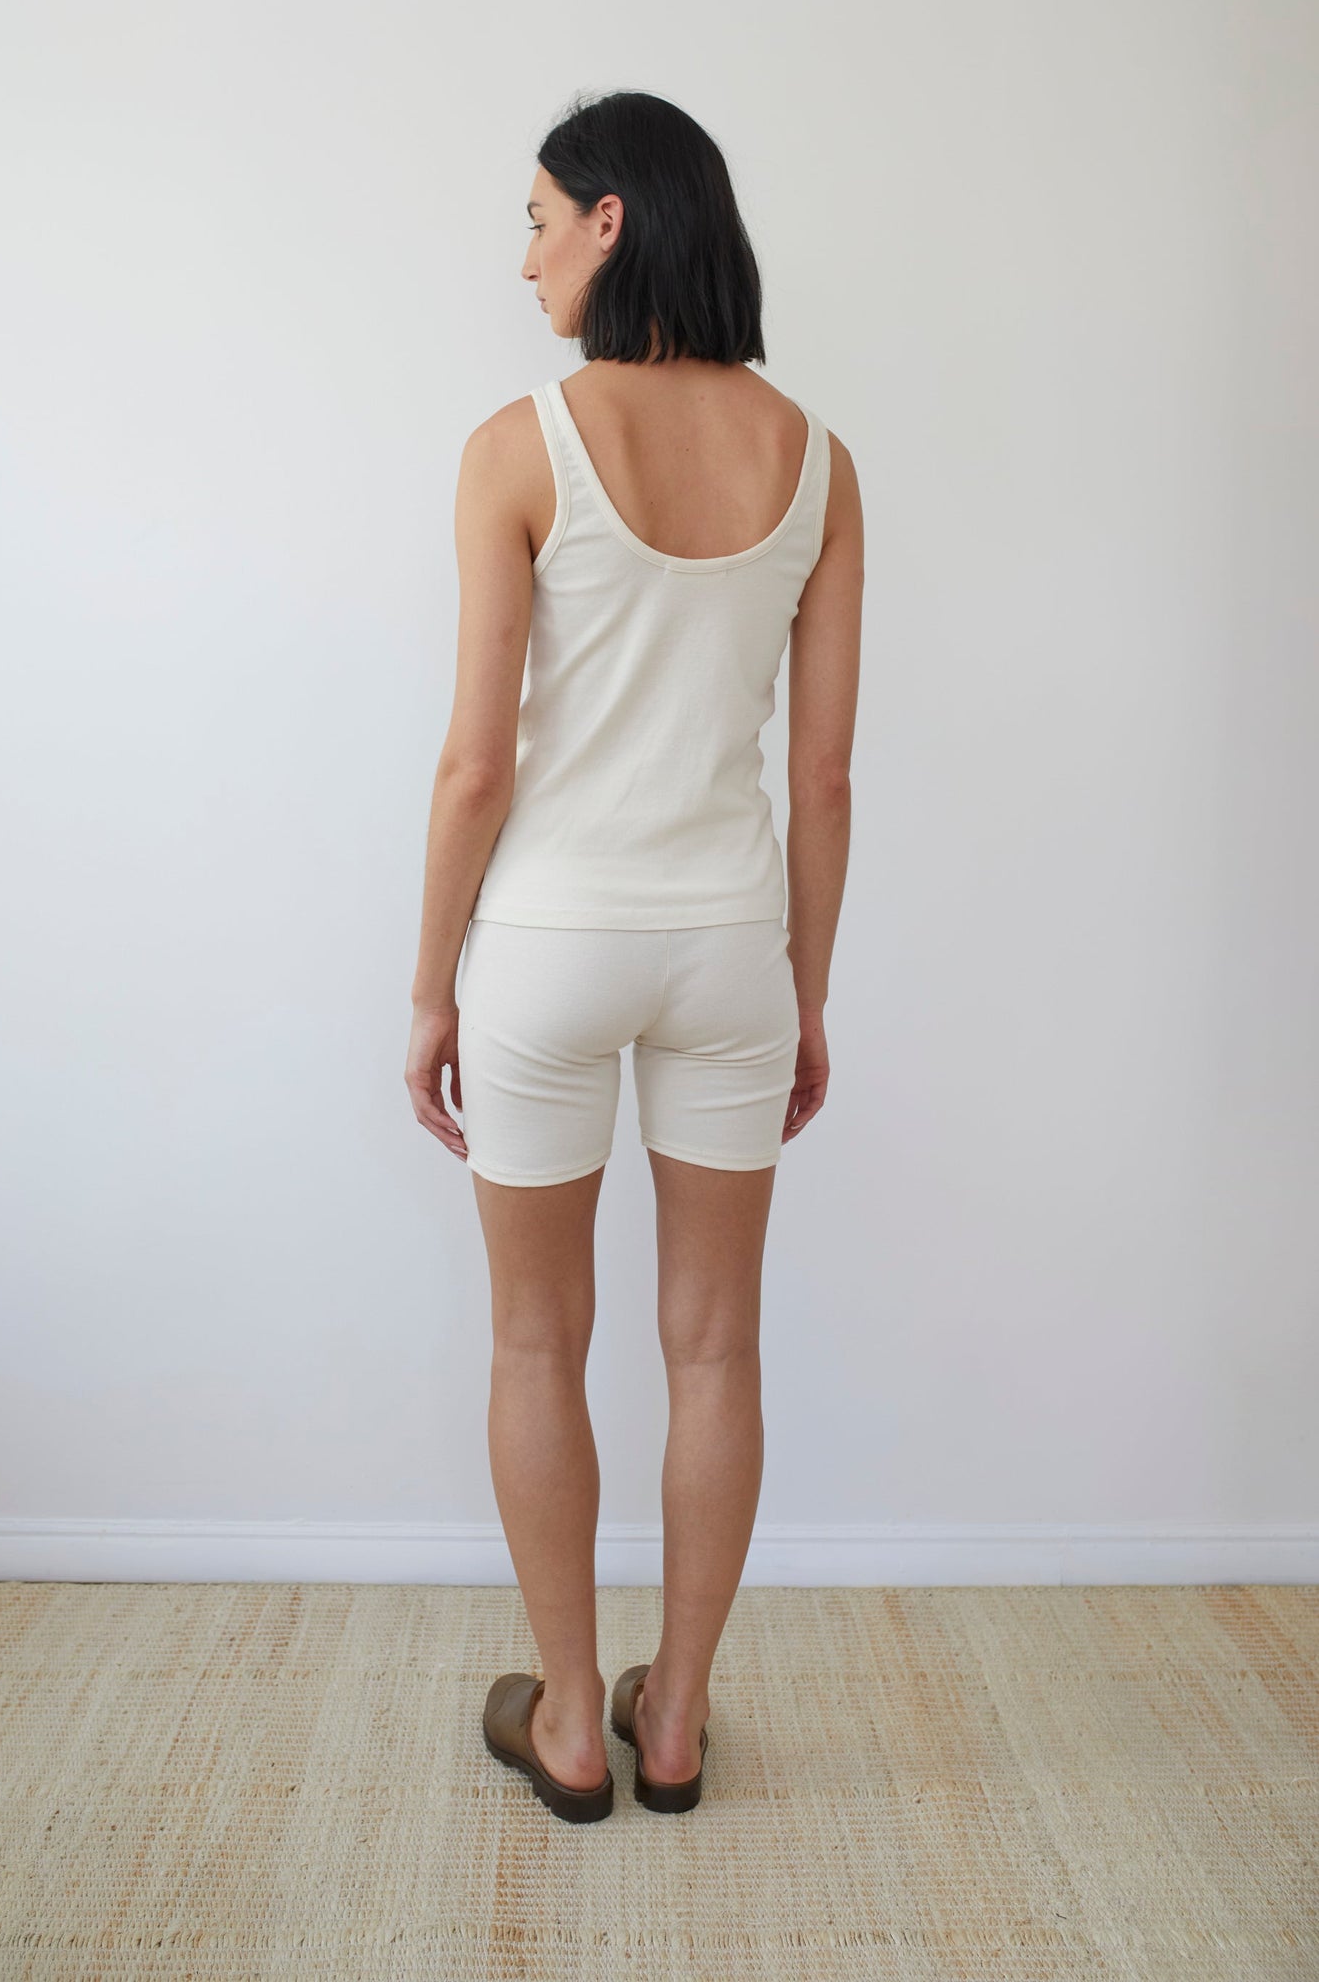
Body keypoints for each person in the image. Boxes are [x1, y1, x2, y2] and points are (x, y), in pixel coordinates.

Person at [406, 90, 864, 1821]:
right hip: (728, 946)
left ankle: (572, 1732)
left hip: (545, 944)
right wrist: (806, 994)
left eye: (535, 219)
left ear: (611, 219)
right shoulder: (814, 460)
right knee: (713, 1348)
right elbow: (819, 775)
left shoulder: (517, 445)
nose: (521, 256)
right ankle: (672, 1718)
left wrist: (429, 986)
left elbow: (474, 764)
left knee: (537, 1341)